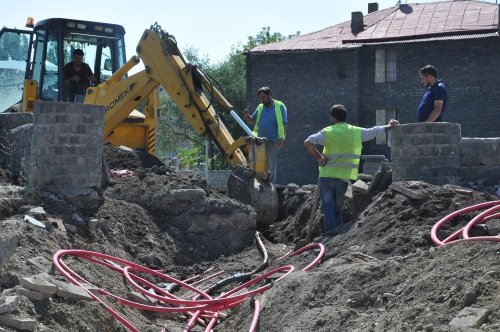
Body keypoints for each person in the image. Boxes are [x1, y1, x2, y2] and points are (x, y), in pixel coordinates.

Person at [304, 104, 399, 237]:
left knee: (329, 208)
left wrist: (319, 158)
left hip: (326, 175)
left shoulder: (327, 131)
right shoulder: (355, 131)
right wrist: (389, 126)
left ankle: (331, 235)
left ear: (333, 118)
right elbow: (374, 131)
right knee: (336, 208)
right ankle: (337, 235)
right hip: (343, 177)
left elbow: (308, 142)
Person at [243, 86, 287, 183]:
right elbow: (252, 121)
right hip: (259, 140)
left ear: (269, 95)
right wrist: (246, 116)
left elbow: (284, 123)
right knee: (257, 163)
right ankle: (259, 183)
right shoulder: (260, 107)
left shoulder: (279, 106)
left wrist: (281, 138)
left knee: (270, 164)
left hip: (273, 140)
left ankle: (270, 185)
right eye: (260, 98)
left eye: (263, 97)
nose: (262, 100)